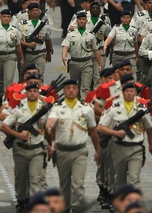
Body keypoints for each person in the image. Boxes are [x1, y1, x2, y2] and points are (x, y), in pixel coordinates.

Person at [45, 78, 100, 211]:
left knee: (78, 183)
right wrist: (49, 127)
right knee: (64, 185)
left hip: (79, 152)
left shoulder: (86, 109)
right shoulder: (57, 109)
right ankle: (65, 208)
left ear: (77, 90)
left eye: (74, 88)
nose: (71, 90)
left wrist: (98, 151)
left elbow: (93, 131)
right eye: (68, 88)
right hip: (62, 152)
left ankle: (76, 208)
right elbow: (51, 121)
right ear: (64, 90)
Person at [98, 81, 152, 189]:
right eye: (127, 91)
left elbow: (151, 128)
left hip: (136, 148)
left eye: (131, 91)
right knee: (119, 181)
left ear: (135, 93)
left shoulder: (142, 109)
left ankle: (134, 203)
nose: (129, 93)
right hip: (118, 148)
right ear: (123, 93)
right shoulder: (114, 108)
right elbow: (100, 127)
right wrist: (115, 133)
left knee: (134, 179)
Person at [0, 82, 50, 211]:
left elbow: (48, 129)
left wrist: (49, 145)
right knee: (21, 177)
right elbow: (3, 126)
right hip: (21, 149)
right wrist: (17, 134)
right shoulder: (19, 110)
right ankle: (22, 200)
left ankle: (35, 205)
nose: (32, 93)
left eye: (35, 90)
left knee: (35, 179)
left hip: (38, 148)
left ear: (39, 94)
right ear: (26, 94)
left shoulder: (44, 109)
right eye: (30, 91)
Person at [0, 9, 25, 109]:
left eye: (8, 17)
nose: (6, 18)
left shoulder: (14, 30)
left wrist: (22, 58)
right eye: (4, 17)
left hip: (10, 57)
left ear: (10, 18)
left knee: (8, 80)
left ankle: (8, 101)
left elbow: (18, 46)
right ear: (0, 17)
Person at [61, 11, 103, 99]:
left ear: (86, 21)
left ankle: (84, 103)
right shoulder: (70, 35)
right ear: (77, 21)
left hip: (87, 63)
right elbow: (66, 46)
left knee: (85, 87)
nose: (81, 21)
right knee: (75, 85)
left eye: (83, 19)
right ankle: (76, 103)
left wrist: (100, 63)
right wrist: (64, 56)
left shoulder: (91, 36)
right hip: (74, 63)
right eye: (80, 19)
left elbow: (95, 50)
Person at [20, 2, 53, 78]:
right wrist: (28, 45)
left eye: (37, 10)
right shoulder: (23, 25)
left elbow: (47, 40)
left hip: (40, 54)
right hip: (27, 54)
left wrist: (48, 52)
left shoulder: (45, 26)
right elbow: (18, 41)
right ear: (29, 12)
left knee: (39, 77)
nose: (35, 12)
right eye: (33, 10)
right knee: (26, 77)